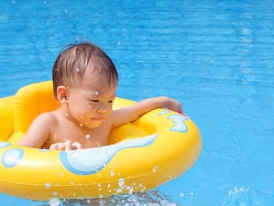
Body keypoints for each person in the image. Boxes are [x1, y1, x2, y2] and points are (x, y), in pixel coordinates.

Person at [17, 42, 183, 151]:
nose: (104, 109)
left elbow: (136, 110)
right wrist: (52, 154)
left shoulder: (107, 120)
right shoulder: (49, 123)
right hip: (63, 196)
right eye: (95, 100)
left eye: (111, 101)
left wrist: (166, 101)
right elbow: (19, 155)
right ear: (64, 95)